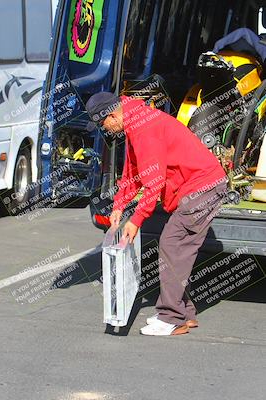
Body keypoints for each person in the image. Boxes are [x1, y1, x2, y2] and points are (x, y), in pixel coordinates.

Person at [86, 91, 228, 336]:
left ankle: (171, 318)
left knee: (172, 245)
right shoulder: (134, 121)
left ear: (111, 115)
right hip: (199, 187)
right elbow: (133, 172)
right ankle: (184, 313)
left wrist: (137, 219)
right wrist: (119, 204)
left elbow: (153, 181)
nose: (105, 130)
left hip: (202, 187)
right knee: (178, 249)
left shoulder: (144, 128)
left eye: (103, 124)